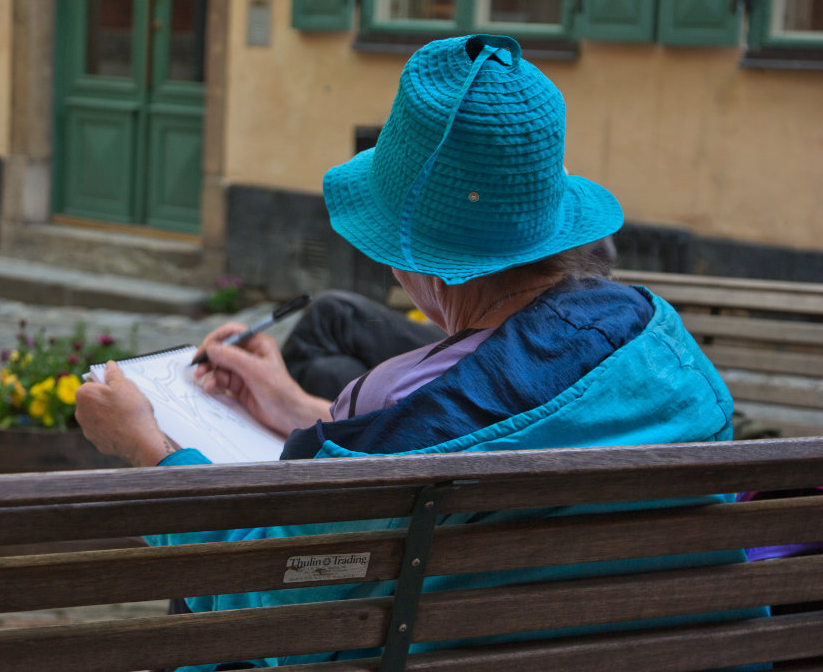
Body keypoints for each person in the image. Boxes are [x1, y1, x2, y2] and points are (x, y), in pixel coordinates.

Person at [76, 34, 763, 670]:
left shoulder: (400, 414)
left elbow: (263, 588)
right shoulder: (663, 350)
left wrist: (150, 453)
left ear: (433, 268)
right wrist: (293, 406)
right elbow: (499, 433)